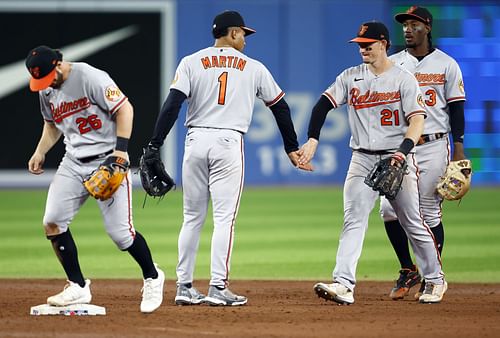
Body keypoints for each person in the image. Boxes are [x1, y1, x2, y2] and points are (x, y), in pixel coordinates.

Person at [144, 10, 311, 306]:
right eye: (243, 33)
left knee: (192, 218)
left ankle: (184, 286)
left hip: (194, 141)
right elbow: (280, 107)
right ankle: (218, 286)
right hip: (227, 142)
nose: (245, 39)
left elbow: (172, 105)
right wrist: (291, 147)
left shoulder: (191, 61)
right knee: (224, 219)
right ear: (232, 33)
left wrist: (155, 144)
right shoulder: (253, 67)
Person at [298, 21, 447, 304]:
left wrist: (402, 152)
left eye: (368, 44)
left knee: (412, 221)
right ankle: (343, 283)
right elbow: (322, 105)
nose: (363, 49)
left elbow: (417, 121)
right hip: (362, 159)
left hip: (396, 158)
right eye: (360, 45)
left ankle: (436, 280)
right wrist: (313, 139)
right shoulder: (350, 77)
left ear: (384, 44)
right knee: (353, 218)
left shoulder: (404, 78)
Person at [26, 46, 164, 313]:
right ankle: (77, 286)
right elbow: (52, 124)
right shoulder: (45, 89)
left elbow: (125, 110)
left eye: (47, 76)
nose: (45, 83)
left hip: (107, 160)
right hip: (73, 160)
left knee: (121, 235)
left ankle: (153, 276)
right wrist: (40, 151)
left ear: (58, 64)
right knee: (52, 221)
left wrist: (120, 152)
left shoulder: (90, 76)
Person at [380, 6, 466, 300]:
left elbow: (456, 107)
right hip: (400, 145)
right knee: (389, 210)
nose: (407, 29)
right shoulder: (391, 63)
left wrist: (459, 150)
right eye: (404, 24)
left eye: (414, 24)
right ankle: (408, 268)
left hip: (434, 144)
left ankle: (433, 277)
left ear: (427, 28)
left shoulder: (446, 64)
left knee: (429, 213)